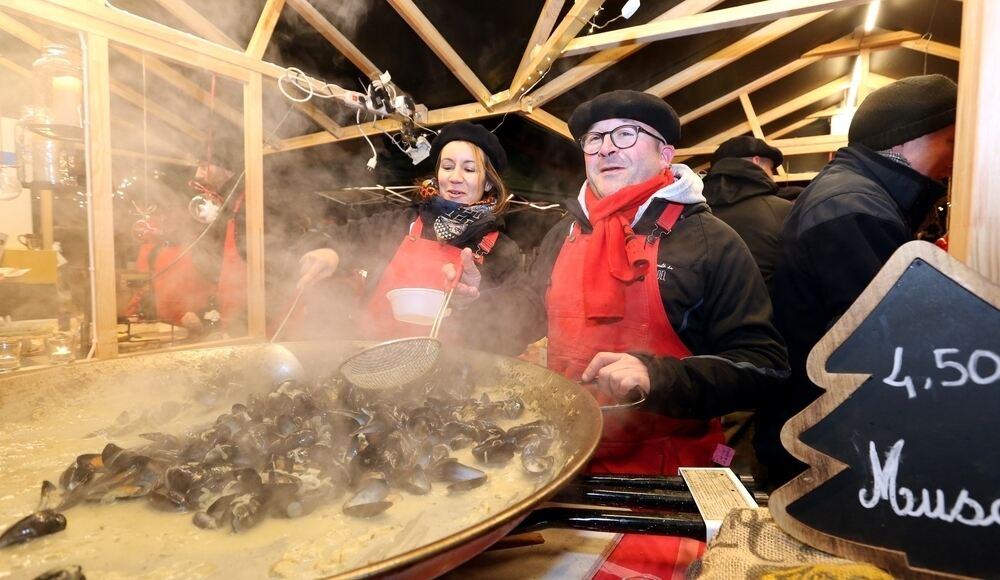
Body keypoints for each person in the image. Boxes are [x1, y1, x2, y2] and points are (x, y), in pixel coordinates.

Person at [756, 74, 958, 488]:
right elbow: (876, 345)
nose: (953, 157)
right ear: (904, 140)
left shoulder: (860, 196)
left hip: (818, 432)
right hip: (824, 442)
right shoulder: (854, 208)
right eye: (948, 141)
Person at [296, 122, 522, 341]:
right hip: (376, 360)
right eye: (448, 166)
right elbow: (333, 238)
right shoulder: (400, 222)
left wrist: (471, 306)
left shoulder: (503, 252)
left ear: (489, 183)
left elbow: (508, 332)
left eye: (470, 169)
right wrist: (331, 252)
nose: (455, 178)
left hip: (451, 373)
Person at [703, 136, 792, 292]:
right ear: (756, 161)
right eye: (771, 169)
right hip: (764, 312)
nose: (773, 177)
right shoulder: (783, 212)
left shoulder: (692, 209)